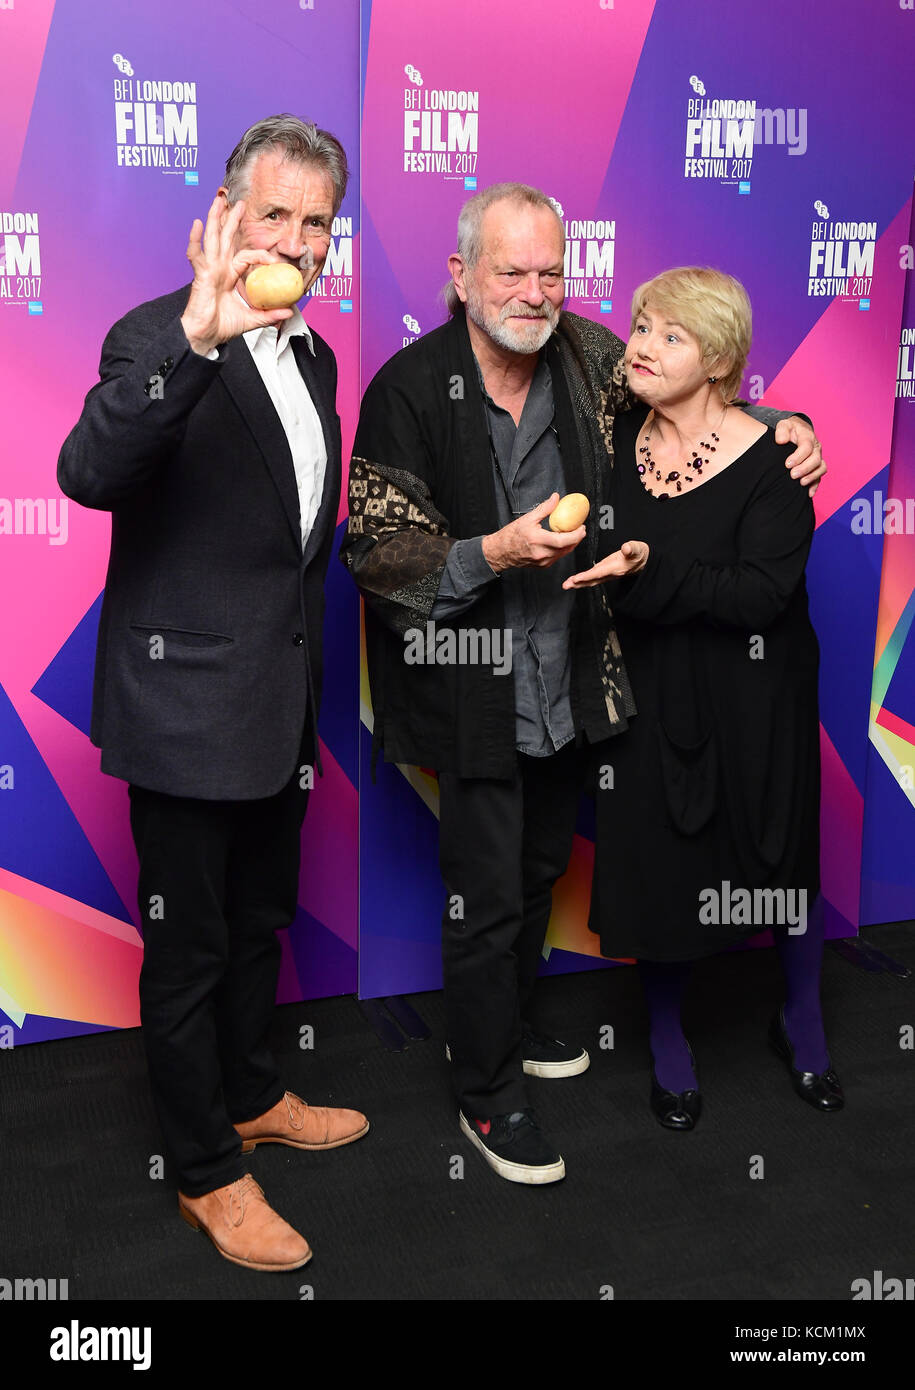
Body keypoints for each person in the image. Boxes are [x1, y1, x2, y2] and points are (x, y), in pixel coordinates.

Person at [341, 184, 825, 1183]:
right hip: (469, 680)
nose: (532, 290)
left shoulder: (587, 359)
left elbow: (697, 389)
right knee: (483, 894)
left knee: (533, 873)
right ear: (460, 275)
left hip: (572, 683)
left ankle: (500, 1030)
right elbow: (378, 551)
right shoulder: (406, 387)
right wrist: (491, 552)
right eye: (511, 271)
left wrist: (789, 421)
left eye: (550, 271)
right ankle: (484, 1093)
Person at [58, 115, 368, 1272]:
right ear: (225, 214)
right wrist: (195, 339)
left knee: (258, 925)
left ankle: (247, 1093)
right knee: (186, 949)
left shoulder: (320, 357)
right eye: (274, 214)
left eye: (316, 223)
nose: (294, 241)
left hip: (278, 709)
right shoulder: (156, 331)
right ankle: (203, 1170)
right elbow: (89, 472)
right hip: (183, 711)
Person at [565, 266, 842, 1130]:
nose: (640, 345)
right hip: (649, 690)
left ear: (718, 359)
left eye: (669, 335)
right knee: (658, 860)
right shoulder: (611, 437)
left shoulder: (775, 460)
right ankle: (666, 1038)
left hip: (758, 696)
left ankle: (801, 1022)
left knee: (776, 856)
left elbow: (759, 595)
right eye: (641, 325)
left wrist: (654, 570)